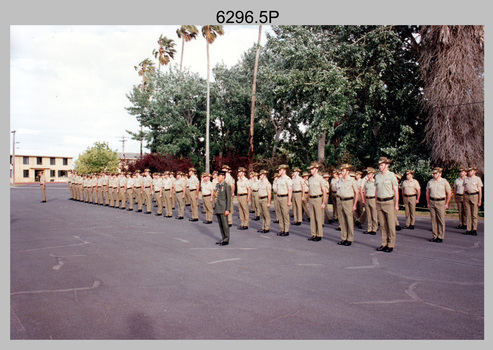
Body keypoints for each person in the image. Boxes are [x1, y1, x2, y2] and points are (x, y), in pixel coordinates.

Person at [374, 157, 399, 253]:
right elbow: (376, 191)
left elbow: (396, 191)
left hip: (389, 202)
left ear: (387, 165)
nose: (380, 167)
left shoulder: (392, 175)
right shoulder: (377, 176)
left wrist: (396, 204)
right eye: (379, 165)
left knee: (391, 224)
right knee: (383, 225)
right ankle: (384, 243)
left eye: (382, 165)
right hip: (380, 202)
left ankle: (391, 244)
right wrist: (376, 202)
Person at [426, 167, 452, 242]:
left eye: (435, 173)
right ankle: (434, 236)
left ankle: (440, 236)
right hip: (432, 201)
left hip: (441, 202)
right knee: (433, 219)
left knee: (441, 220)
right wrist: (428, 202)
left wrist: (447, 203)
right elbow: (427, 193)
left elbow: (449, 192)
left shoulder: (444, 182)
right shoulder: (430, 182)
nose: (434, 175)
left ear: (440, 173)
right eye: (433, 174)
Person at [337, 164, 360, 246]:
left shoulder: (351, 180)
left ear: (347, 171)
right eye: (341, 171)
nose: (342, 172)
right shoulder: (340, 180)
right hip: (341, 201)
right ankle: (343, 238)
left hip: (348, 201)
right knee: (342, 220)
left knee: (349, 220)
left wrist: (355, 204)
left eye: (343, 171)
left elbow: (357, 192)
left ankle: (350, 238)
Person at [306, 162, 327, 241]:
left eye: (312, 169)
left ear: (316, 169)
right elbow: (309, 191)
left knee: (318, 217)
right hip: (311, 199)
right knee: (312, 217)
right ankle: (313, 234)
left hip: (318, 198)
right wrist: (308, 201)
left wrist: (323, 202)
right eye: (310, 169)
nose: (311, 170)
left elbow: (324, 191)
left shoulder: (320, 179)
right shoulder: (310, 179)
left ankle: (319, 234)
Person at [463, 166, 483, 236]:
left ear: (474, 171)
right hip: (467, 196)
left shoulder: (477, 179)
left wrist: (480, 200)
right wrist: (463, 199)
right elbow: (464, 189)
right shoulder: (466, 179)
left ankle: (474, 229)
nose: (469, 172)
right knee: (468, 213)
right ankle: (468, 229)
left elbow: (480, 190)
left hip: (474, 196)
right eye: (468, 171)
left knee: (474, 214)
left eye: (471, 171)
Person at [214, 170, 232, 246]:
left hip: (223, 208)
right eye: (218, 176)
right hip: (218, 207)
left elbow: (228, 199)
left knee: (225, 224)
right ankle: (223, 237)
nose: (218, 177)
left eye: (220, 176)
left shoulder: (226, 186)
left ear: (223, 176)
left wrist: (227, 209)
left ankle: (226, 239)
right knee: (220, 224)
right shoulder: (218, 185)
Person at [276, 164, 293, 236]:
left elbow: (290, 190)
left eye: (280, 170)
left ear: (284, 170)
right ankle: (282, 229)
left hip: (285, 197)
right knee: (280, 214)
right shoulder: (279, 179)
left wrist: (289, 200)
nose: (279, 171)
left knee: (285, 214)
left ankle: (286, 230)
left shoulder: (288, 179)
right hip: (279, 197)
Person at [362, 167, 378, 235]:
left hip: (373, 199)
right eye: (367, 174)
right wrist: (364, 200)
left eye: (369, 174)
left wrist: (376, 201)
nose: (368, 175)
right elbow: (365, 192)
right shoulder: (366, 183)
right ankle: (369, 228)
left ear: (373, 174)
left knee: (374, 215)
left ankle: (374, 229)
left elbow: (376, 192)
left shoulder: (375, 182)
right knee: (368, 215)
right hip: (367, 199)